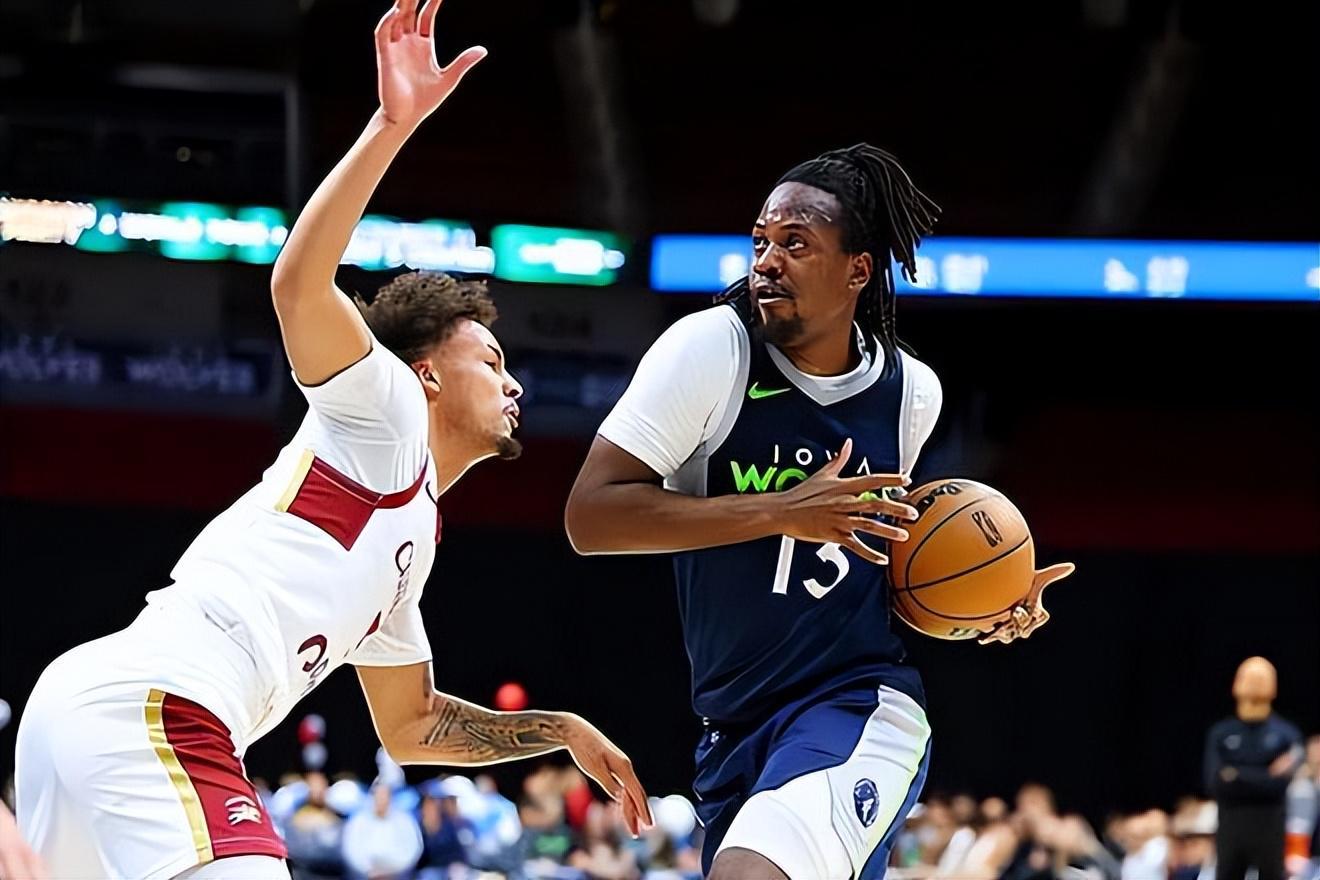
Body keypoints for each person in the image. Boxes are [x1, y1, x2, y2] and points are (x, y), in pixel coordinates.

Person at [4, 2, 649, 877]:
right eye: (492, 361)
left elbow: (413, 726)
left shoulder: (409, 535)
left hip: (94, 707)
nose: (514, 385)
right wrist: (391, 126)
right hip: (161, 707)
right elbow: (298, 286)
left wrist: (560, 730)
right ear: (426, 372)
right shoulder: (388, 413)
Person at [565, 145, 1073, 878]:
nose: (767, 262)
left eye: (796, 244)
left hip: (857, 705)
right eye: (760, 242)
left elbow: (884, 566)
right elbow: (590, 517)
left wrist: (985, 602)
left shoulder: (910, 393)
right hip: (732, 727)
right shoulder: (712, 350)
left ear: (857, 270)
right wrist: (779, 511)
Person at [1204, 656, 1304, 880]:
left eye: (1262, 678)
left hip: (1270, 828)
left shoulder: (1287, 735)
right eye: (1249, 677)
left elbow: (1281, 785)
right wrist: (1267, 774)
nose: (1255, 683)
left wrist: (1237, 775)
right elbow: (1215, 783)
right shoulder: (1220, 734)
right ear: (1236, 684)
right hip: (1230, 828)